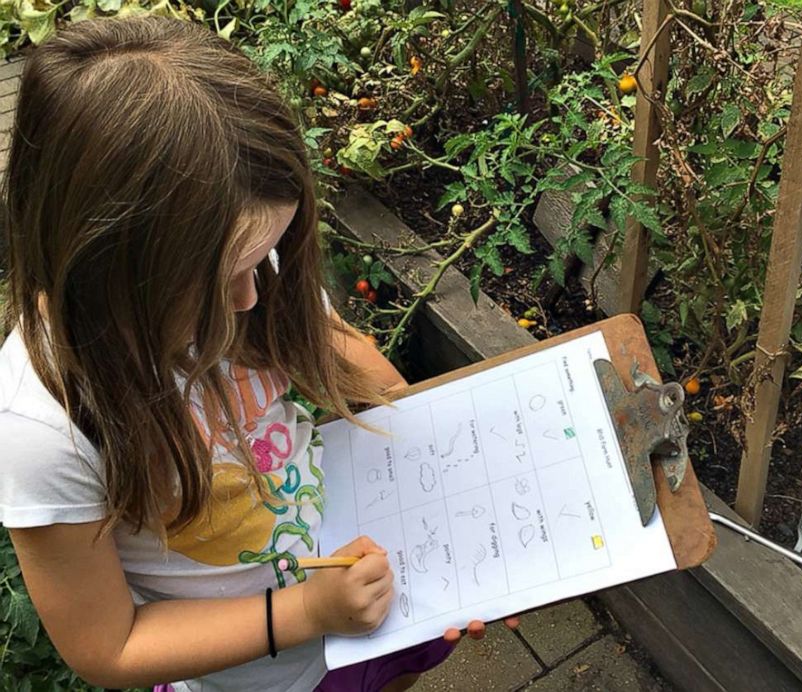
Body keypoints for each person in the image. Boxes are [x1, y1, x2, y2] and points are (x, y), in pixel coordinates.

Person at [0, 15, 516, 692]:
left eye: (265, 256)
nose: (252, 297)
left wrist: (474, 518)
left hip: (364, 606)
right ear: (109, 266)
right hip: (248, 676)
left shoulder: (250, 270)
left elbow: (354, 372)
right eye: (221, 279)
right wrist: (305, 612)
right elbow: (109, 646)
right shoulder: (46, 426)